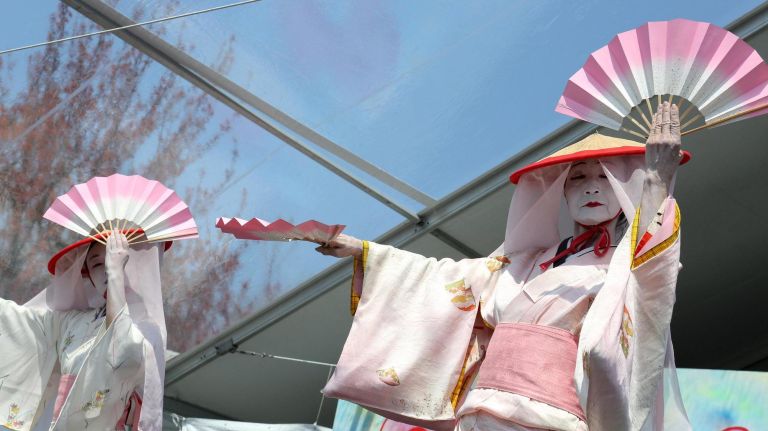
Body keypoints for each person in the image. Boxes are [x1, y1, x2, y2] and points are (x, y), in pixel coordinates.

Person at [317, 102, 691, 430]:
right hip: (480, 412)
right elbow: (443, 278)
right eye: (578, 177)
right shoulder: (528, 260)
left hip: (552, 418)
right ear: (561, 190)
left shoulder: (626, 265)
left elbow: (654, 273)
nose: (591, 188)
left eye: (605, 177)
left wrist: (657, 178)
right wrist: (360, 249)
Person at [0, 229, 168, 430]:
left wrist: (115, 273)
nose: (107, 268)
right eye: (97, 264)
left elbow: (122, 356)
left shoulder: (149, 330)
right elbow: (22, 324)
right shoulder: (73, 322)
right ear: (87, 271)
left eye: (116, 257)